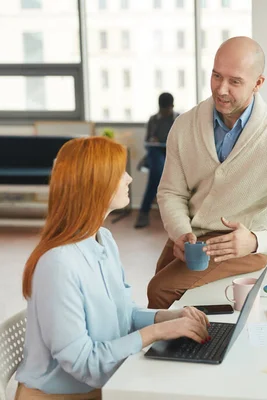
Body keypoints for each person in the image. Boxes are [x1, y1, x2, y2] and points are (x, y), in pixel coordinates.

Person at [15, 137, 209, 399]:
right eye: (120, 173)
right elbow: (85, 365)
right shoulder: (58, 264)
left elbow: (124, 315)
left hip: (106, 383)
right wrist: (158, 333)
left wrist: (166, 317)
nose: (129, 178)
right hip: (62, 395)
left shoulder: (103, 240)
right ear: (95, 184)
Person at [146, 37, 267, 309]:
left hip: (243, 244)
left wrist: (256, 241)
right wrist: (180, 232)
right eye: (216, 76)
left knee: (161, 290)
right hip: (193, 235)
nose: (221, 89)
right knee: (161, 287)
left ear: (258, 83)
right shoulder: (184, 125)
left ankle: (183, 349)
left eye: (235, 81)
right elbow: (171, 192)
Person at [134, 92, 179, 229]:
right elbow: (147, 143)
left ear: (172, 106)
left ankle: (144, 212)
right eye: (162, 110)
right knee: (156, 169)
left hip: (174, 153)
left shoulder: (178, 119)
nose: (165, 113)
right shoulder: (153, 120)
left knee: (157, 173)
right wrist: (152, 140)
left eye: (167, 110)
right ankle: (144, 212)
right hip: (156, 152)